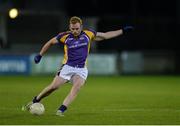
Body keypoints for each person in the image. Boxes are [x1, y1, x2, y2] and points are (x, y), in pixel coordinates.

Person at [22, 16, 133, 116]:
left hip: (81, 69)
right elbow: (50, 42)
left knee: (77, 87)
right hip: (67, 67)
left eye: (77, 28)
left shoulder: (88, 34)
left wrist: (122, 31)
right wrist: (40, 55)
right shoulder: (64, 36)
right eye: (72, 29)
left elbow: (105, 35)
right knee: (53, 87)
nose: (75, 31)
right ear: (70, 28)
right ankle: (35, 100)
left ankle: (61, 110)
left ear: (81, 27)